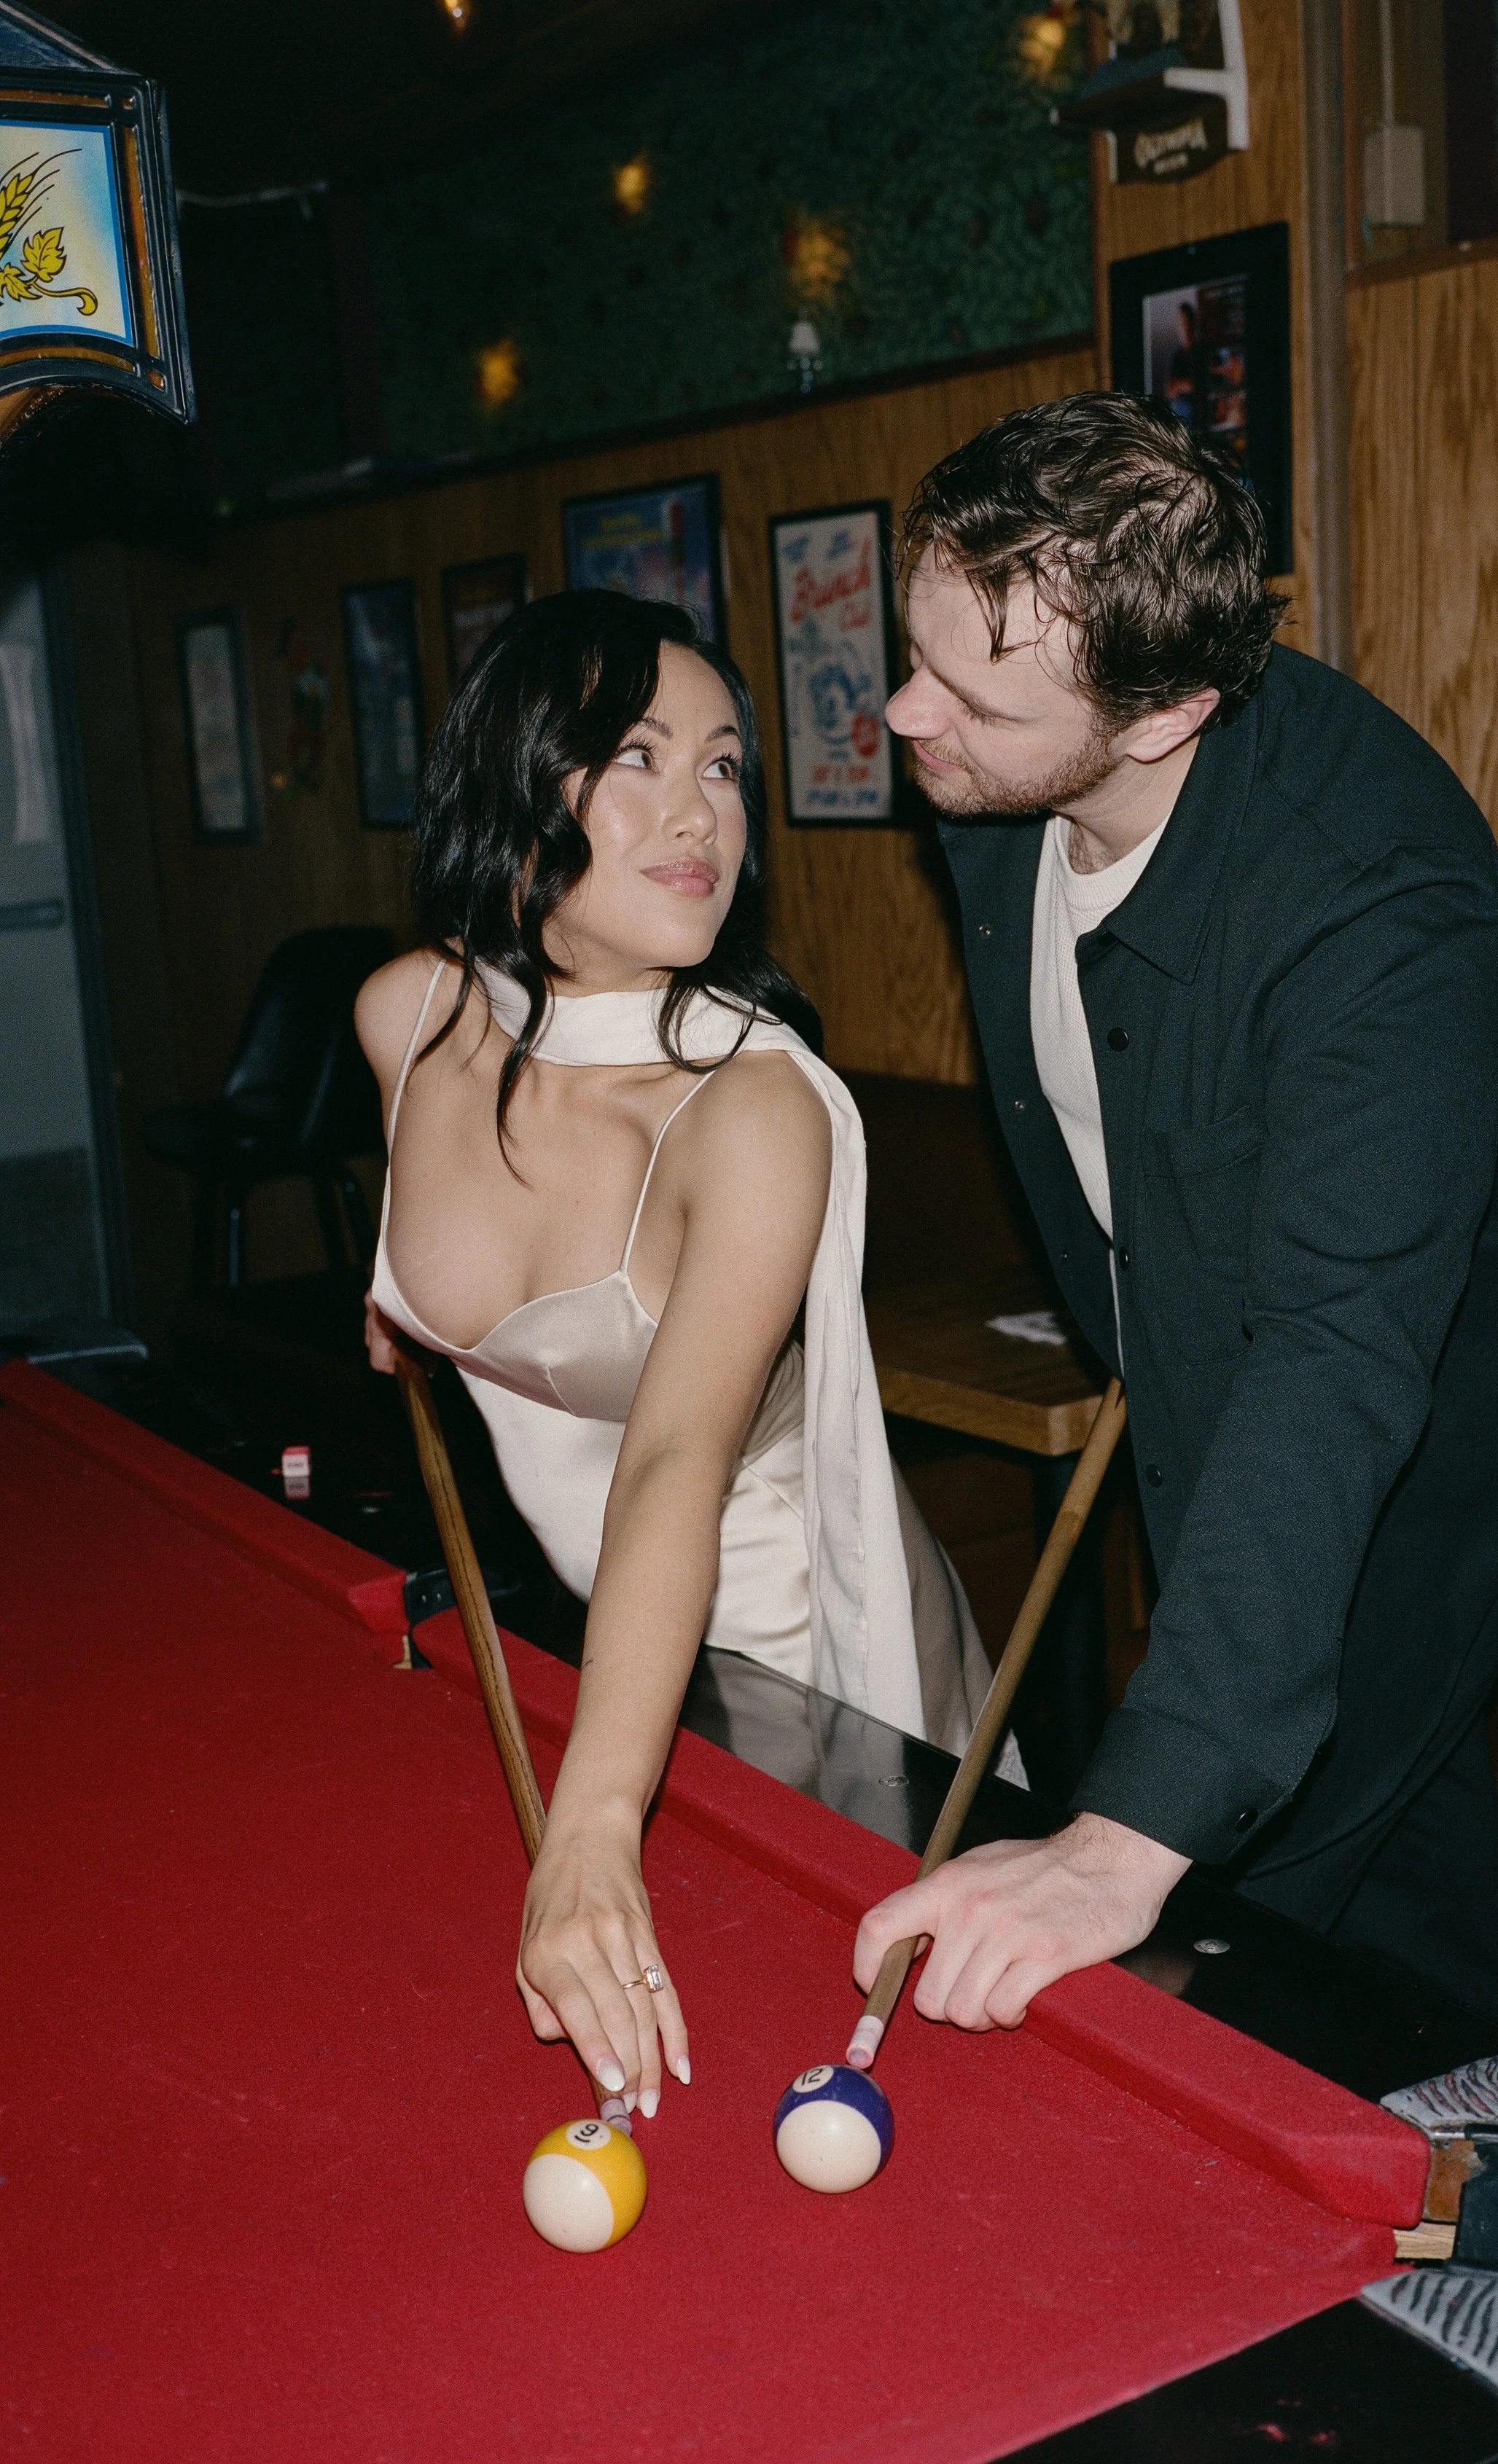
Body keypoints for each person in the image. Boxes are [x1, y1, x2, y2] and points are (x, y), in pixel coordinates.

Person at [857, 391, 1498, 2032]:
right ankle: (1459, 2182)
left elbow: (1336, 1362)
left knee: (1234, 1914)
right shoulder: (990, 774)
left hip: (1419, 1449)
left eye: (971, 698)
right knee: (1392, 1870)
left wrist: (1124, 1840)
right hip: (1212, 1377)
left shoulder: (1374, 907)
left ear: (1161, 714)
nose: (907, 716)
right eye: (912, 650)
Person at [357, 590, 991, 2125]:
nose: (697, 810)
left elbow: (667, 1466)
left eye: (720, 765)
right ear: (521, 785)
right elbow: (441, 1268)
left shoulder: (750, 1118)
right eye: (634, 756)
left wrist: (586, 1841)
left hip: (800, 1664)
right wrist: (397, 1309)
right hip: (628, 1650)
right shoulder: (406, 1017)